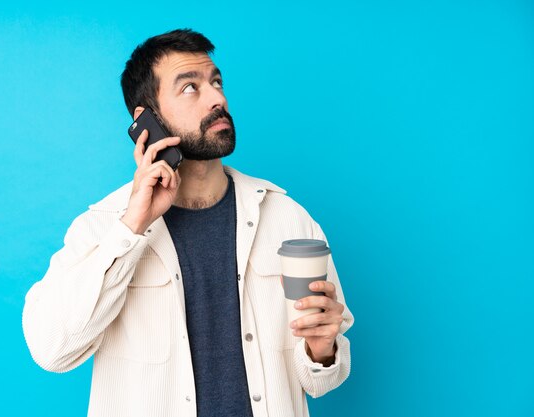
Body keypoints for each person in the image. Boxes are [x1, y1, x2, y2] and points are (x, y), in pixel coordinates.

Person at [22, 28, 353, 417]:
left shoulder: (287, 219)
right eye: (190, 88)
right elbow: (53, 350)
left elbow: (321, 381)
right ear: (147, 121)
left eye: (216, 82)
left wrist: (323, 349)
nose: (218, 98)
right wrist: (133, 227)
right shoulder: (103, 227)